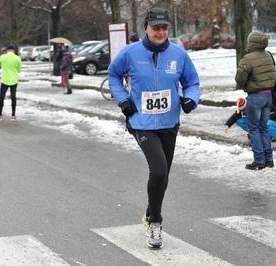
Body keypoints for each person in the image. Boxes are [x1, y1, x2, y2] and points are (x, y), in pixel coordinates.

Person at [107, 7, 200, 249]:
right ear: (146, 28)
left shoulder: (179, 55)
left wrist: (191, 98)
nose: (160, 32)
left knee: (164, 175)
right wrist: (123, 100)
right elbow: (113, 75)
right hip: (141, 123)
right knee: (158, 171)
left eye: (164, 27)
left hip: (169, 123)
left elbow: (192, 82)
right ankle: (155, 223)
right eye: (156, 27)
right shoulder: (130, 53)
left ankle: (150, 211)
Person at [235, 31, 276, 170]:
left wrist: (243, 84)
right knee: (263, 127)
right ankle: (269, 159)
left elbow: (240, 78)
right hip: (268, 96)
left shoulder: (248, 58)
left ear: (251, 43)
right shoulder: (269, 55)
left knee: (253, 128)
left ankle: (259, 159)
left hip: (255, 96)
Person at [0, 44, 22, 122]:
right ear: (14, 50)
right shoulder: (18, 58)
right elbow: (19, 70)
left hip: (5, 80)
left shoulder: (2, 57)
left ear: (7, 50)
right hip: (14, 80)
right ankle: (13, 115)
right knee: (13, 97)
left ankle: (0, 114)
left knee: (2, 97)